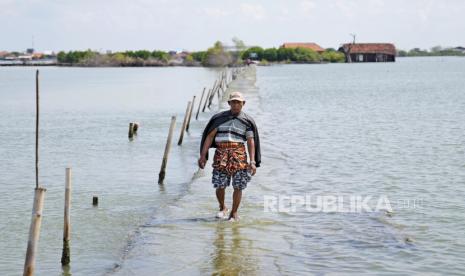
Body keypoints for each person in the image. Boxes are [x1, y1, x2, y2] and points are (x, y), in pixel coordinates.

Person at [198, 91, 261, 222]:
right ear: (229, 103)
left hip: (239, 155)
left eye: (239, 102)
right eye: (233, 102)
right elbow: (209, 137)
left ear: (243, 104)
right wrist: (203, 155)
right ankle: (222, 207)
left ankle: (234, 212)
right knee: (219, 185)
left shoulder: (247, 121)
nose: (236, 104)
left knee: (238, 186)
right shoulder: (219, 119)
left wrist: (253, 161)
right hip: (221, 155)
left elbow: (251, 141)